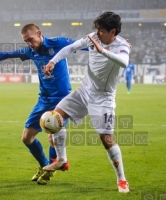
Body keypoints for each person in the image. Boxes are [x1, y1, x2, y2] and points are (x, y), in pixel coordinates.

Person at [0, 23, 82, 185]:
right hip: (43, 99)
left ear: (39, 33)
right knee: (26, 138)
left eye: (31, 39)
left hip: (62, 100)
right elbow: (7, 54)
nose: (29, 43)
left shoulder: (58, 43)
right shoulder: (30, 51)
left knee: (53, 136)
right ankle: (44, 165)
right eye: (26, 41)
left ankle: (52, 169)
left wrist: (109, 48)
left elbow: (83, 44)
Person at [43, 11, 130, 193]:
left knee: (106, 140)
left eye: (101, 30)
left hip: (103, 98)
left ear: (112, 31)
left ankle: (122, 179)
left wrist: (103, 51)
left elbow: (123, 62)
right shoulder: (92, 37)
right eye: (96, 29)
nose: (97, 33)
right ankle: (62, 160)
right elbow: (70, 48)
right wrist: (52, 61)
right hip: (84, 91)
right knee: (55, 118)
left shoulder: (122, 46)